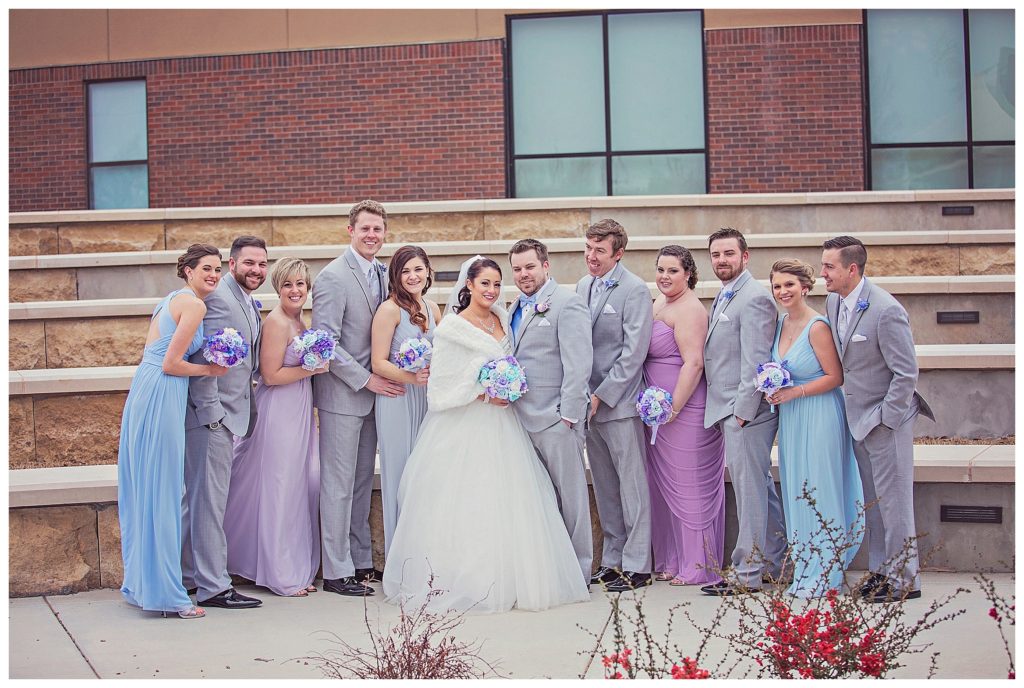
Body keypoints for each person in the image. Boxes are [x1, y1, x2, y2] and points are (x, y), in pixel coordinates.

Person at [382, 257, 590, 613]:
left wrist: (505, 389)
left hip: (504, 423)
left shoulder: (502, 319)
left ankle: (514, 577)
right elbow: (443, 382)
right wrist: (483, 391)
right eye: (484, 284)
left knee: (511, 499)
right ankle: (467, 580)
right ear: (468, 287)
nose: (491, 291)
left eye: (496, 284)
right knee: (469, 501)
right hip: (466, 424)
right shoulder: (452, 327)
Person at [821, 236, 934, 603]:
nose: (823, 273)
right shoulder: (834, 301)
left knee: (895, 503)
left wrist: (887, 419)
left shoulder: (886, 309)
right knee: (874, 503)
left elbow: (906, 373)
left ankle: (905, 581)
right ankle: (883, 572)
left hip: (887, 423)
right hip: (858, 420)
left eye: (829, 267)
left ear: (851, 269)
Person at [118, 244, 227, 619]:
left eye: (218, 269)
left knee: (151, 488)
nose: (214, 275)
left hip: (146, 388)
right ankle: (170, 596)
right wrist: (211, 370)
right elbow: (172, 363)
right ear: (188, 271)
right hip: (163, 391)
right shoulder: (194, 305)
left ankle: (146, 584)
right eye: (207, 269)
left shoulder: (173, 298)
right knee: (163, 489)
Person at [312, 200, 405, 596]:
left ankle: (361, 561)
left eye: (378, 230)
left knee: (362, 481)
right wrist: (366, 380)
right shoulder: (333, 277)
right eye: (365, 228)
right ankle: (335, 571)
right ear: (349, 230)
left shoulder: (385, 274)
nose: (372, 236)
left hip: (376, 397)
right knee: (338, 482)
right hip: (343, 394)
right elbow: (326, 343)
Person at [222, 258, 327, 597]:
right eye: (287, 284)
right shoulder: (278, 323)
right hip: (279, 410)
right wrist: (313, 370)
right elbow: (270, 375)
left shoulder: (300, 319)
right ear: (277, 288)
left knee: (296, 486)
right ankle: (280, 573)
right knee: (280, 487)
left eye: (300, 284)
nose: (295, 290)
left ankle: (288, 563)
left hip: (298, 409)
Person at [765, 258, 864, 598]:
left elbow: (835, 377)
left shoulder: (817, 326)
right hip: (792, 418)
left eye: (789, 285)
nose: (783, 291)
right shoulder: (779, 325)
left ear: (805, 287)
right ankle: (805, 567)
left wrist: (796, 391)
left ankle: (827, 569)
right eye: (777, 286)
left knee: (819, 487)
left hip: (820, 412)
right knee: (797, 489)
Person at [701, 227, 787, 596]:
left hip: (745, 413)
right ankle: (776, 562)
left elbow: (755, 359)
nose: (722, 261)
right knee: (760, 488)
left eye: (729, 254)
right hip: (729, 408)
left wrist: (743, 412)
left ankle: (748, 574)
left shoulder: (753, 297)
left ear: (745, 257)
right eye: (716, 255)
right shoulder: (726, 294)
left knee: (750, 492)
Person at [183, 235, 268, 610]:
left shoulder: (247, 300)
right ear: (233, 264)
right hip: (212, 417)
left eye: (262, 264)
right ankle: (214, 586)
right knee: (208, 504)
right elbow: (204, 357)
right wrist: (212, 414)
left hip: (231, 413)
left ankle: (188, 574)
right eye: (249, 263)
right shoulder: (217, 298)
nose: (256, 270)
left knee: (202, 500)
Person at [507, 238, 594, 586]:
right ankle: (551, 569)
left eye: (529, 266)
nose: (523, 274)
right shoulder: (514, 306)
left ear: (546, 265)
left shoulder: (566, 304)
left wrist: (568, 416)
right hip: (519, 418)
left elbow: (579, 364)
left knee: (570, 497)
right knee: (540, 498)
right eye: (517, 269)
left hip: (556, 419)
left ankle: (579, 570)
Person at [575, 219, 654, 593]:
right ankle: (612, 559)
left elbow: (633, 354)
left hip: (618, 404)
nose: (591, 257)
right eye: (588, 249)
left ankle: (638, 565)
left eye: (599, 251)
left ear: (618, 253)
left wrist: (601, 395)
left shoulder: (635, 290)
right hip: (586, 404)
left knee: (632, 487)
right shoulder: (582, 285)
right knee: (605, 486)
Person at [643, 246, 726, 586]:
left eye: (672, 271)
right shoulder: (659, 303)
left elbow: (694, 363)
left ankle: (697, 565)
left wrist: (673, 408)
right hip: (656, 413)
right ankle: (671, 559)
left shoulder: (690, 309)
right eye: (660, 269)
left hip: (684, 410)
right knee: (662, 486)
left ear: (689, 273)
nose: (664, 276)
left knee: (687, 485)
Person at [370, 245, 441, 556]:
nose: (412, 276)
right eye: (405, 271)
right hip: (398, 399)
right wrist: (412, 378)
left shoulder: (434, 308)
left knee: (427, 477)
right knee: (401, 477)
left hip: (428, 402)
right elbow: (378, 362)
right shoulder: (388, 310)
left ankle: (426, 553)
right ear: (396, 277)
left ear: (427, 271)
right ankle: (402, 560)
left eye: (418, 269)